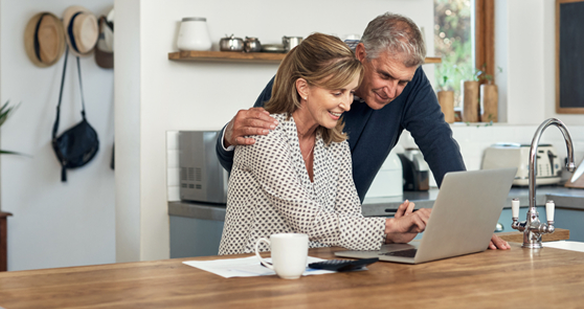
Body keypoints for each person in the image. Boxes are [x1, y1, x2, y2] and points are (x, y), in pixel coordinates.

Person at [217, 13, 509, 251]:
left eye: (402, 82)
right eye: (384, 75)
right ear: (361, 54)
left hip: (317, 258)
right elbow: (253, 141)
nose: (392, 91)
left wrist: (471, 222)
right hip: (253, 261)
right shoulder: (309, 75)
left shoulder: (336, 140)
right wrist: (229, 136)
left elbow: (438, 142)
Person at [218, 33, 431, 255]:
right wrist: (388, 226)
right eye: (337, 92)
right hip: (248, 273)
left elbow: (349, 223)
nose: (347, 105)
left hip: (308, 274)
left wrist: (391, 236)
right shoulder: (265, 135)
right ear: (303, 88)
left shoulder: (335, 143)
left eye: (350, 93)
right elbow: (307, 219)